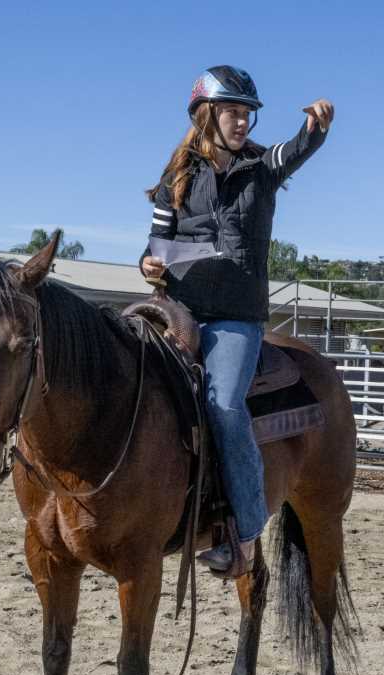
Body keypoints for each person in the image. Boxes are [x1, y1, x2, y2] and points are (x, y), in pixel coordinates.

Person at [139, 65, 334, 574]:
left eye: (247, 113)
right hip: (178, 308)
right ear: (206, 115)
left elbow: (295, 151)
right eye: (233, 111)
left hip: (236, 318)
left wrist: (315, 129)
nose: (242, 121)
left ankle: (245, 534)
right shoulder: (175, 178)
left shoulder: (261, 168)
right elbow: (153, 247)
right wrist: (148, 264)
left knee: (224, 405)